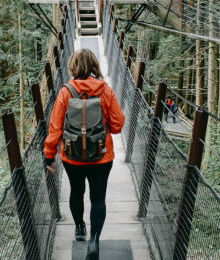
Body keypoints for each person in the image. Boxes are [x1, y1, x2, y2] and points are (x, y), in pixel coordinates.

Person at [43, 48, 125, 260]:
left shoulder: (65, 92)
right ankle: (94, 241)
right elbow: (117, 126)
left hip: (72, 157)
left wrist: (49, 154)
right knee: (98, 199)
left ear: (73, 66)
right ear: (95, 66)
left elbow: (55, 128)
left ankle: (80, 227)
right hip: (101, 157)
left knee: (76, 192)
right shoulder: (105, 90)